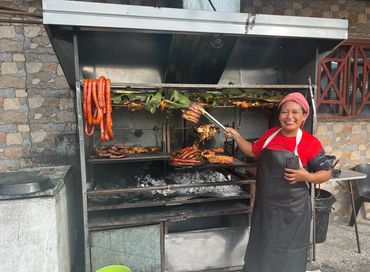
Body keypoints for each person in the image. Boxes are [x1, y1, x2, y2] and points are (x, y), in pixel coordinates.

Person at [226, 92, 332, 272]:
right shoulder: (270, 135)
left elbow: (326, 173)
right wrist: (236, 136)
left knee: (288, 255)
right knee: (261, 250)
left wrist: (306, 176)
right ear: (279, 114)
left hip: (293, 213)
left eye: (295, 112)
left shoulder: (309, 142)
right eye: (284, 112)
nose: (289, 117)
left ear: (304, 116)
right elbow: (252, 151)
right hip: (266, 209)